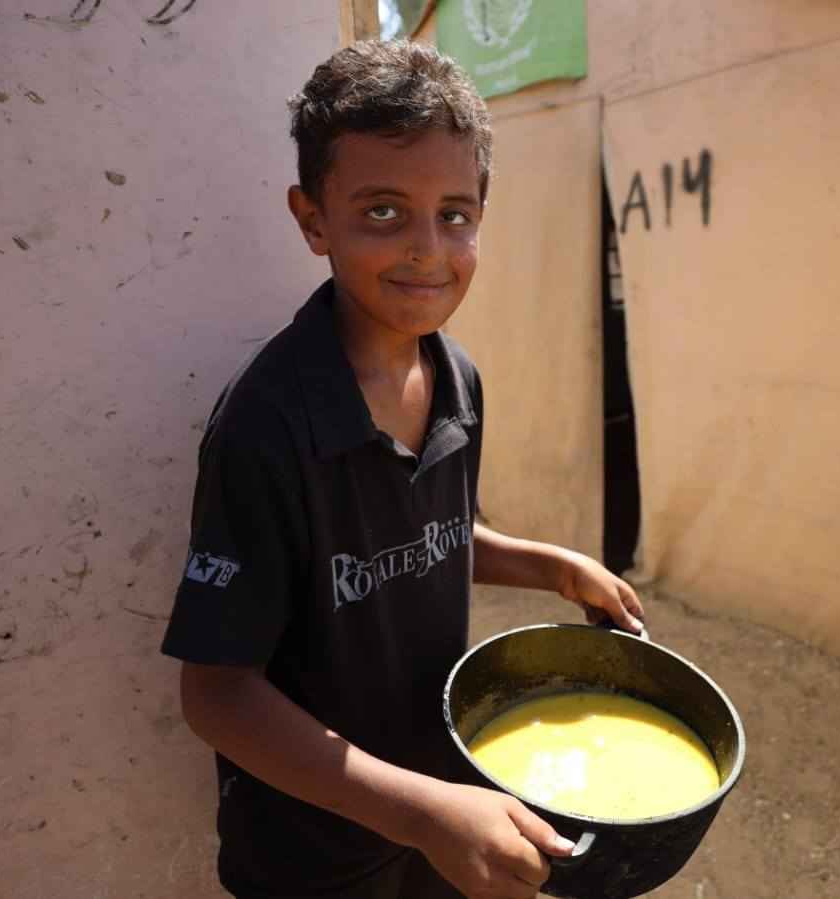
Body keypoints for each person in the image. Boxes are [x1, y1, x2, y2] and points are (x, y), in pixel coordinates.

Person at [160, 39, 645, 899]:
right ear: (313, 219)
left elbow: (437, 534)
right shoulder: (268, 424)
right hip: (315, 845)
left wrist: (553, 565)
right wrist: (420, 811)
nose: (428, 249)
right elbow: (217, 692)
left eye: (454, 214)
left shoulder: (458, 380)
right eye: (383, 211)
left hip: (445, 786)